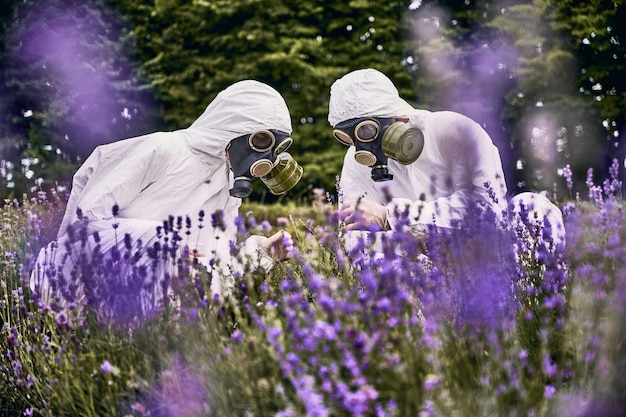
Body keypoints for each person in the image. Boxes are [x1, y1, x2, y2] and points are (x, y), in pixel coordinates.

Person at [31, 80, 303, 309]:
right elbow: (83, 231)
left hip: (154, 323)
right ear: (234, 126)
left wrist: (257, 255)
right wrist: (157, 243)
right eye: (263, 141)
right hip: (78, 299)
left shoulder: (229, 189)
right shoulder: (163, 150)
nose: (267, 156)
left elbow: (212, 274)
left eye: (276, 147)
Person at [328, 68, 564, 246]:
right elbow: (356, 241)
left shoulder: (454, 131)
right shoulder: (354, 163)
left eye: (367, 131)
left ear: (398, 118)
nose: (361, 147)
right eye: (347, 137)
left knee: (534, 209)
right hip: (415, 270)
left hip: (487, 257)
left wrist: (392, 218)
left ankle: (538, 304)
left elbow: (484, 209)